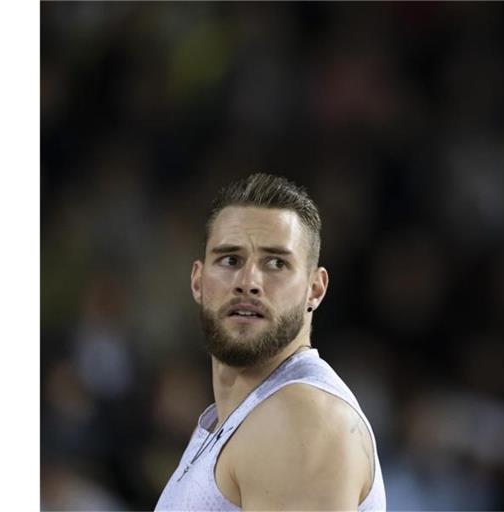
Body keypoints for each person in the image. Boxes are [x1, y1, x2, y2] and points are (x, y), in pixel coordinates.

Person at [155, 173, 385, 511]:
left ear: (315, 289)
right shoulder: (235, 419)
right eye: (230, 260)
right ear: (198, 281)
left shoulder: (300, 420)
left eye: (276, 263)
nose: (248, 282)